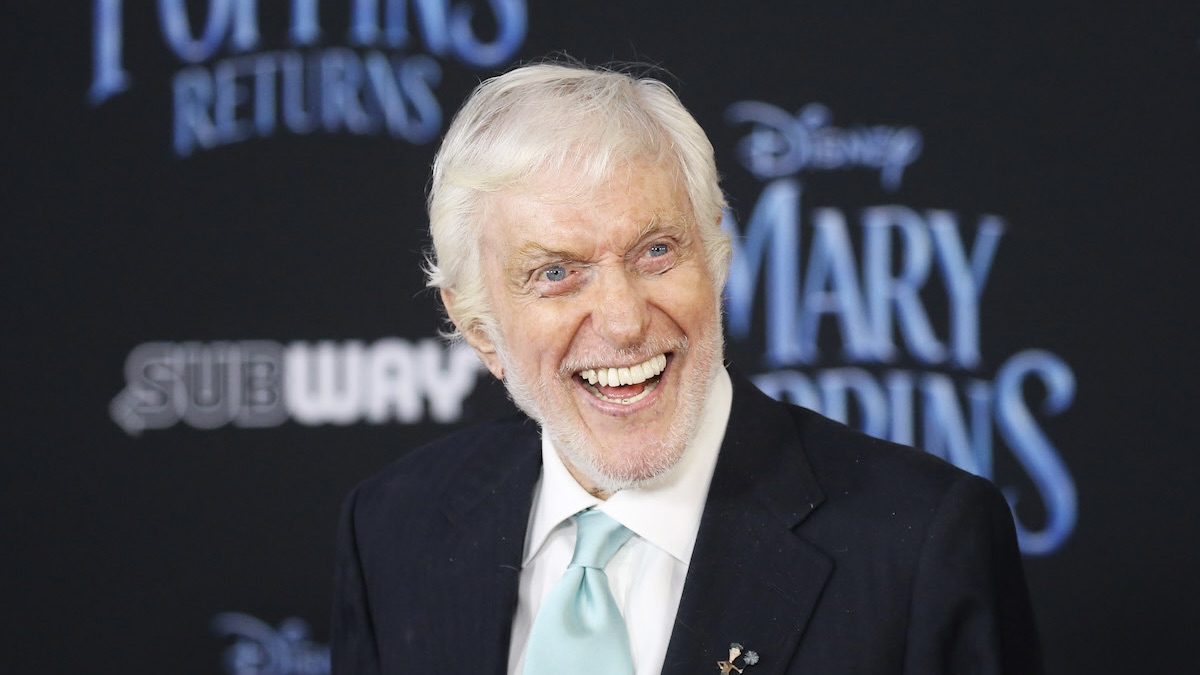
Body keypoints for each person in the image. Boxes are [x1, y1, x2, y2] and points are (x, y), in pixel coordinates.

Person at [332, 61, 1042, 675]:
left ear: (718, 256)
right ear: (478, 326)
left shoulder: (919, 546)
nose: (623, 319)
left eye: (656, 251)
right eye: (556, 271)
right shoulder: (393, 528)